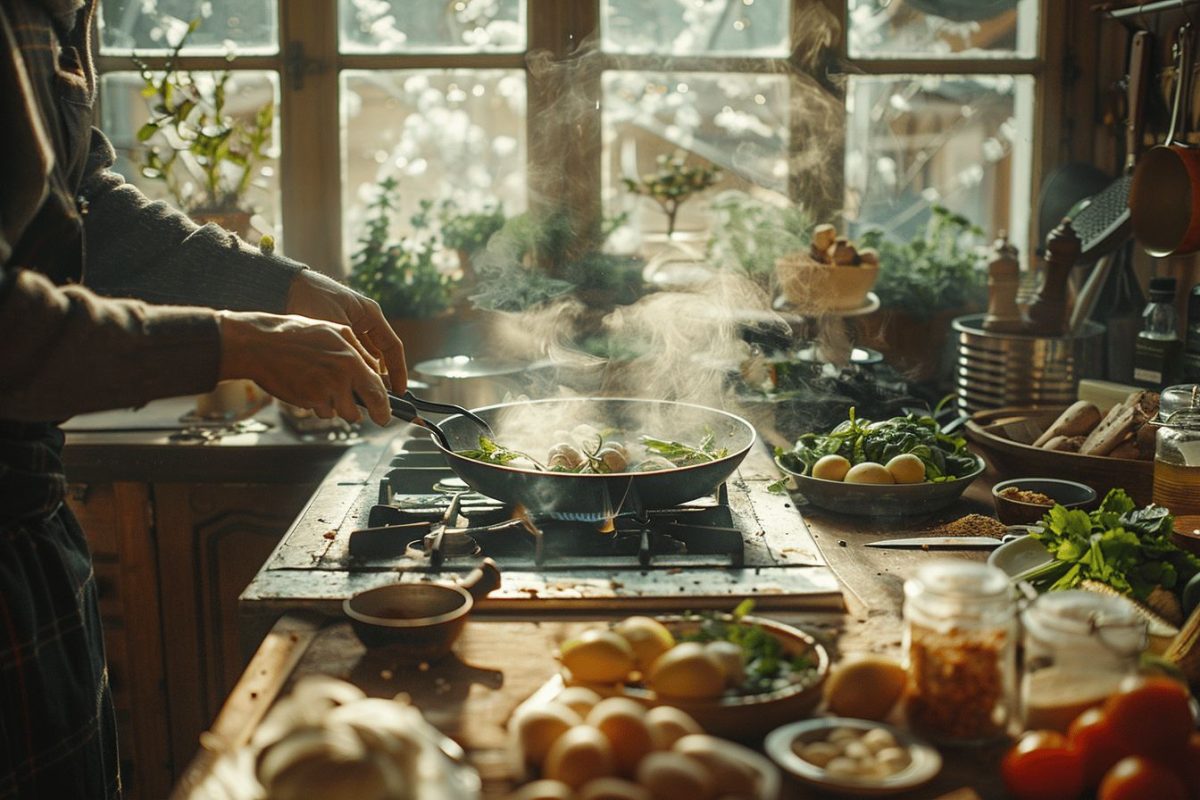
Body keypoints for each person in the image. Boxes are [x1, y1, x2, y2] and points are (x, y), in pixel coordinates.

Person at [1, 1, 407, 796]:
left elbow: (86, 204)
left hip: (30, 518)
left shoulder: (59, 14)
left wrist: (279, 286)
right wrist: (237, 342)